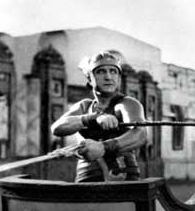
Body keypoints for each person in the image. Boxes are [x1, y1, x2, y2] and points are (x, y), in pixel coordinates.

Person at [51, 51, 147, 182]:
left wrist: (104, 147)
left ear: (119, 78)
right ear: (90, 79)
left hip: (122, 179)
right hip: (86, 178)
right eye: (101, 72)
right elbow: (57, 128)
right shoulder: (84, 106)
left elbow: (140, 134)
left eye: (113, 71)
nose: (108, 77)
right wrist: (93, 118)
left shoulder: (127, 103)